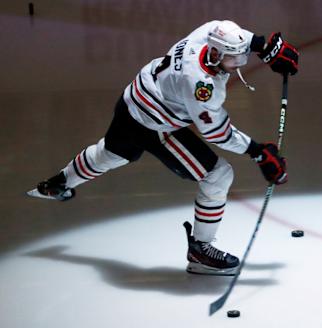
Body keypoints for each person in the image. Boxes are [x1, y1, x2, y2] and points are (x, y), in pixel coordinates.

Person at [28, 20, 299, 276]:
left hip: (132, 100)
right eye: (234, 58)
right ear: (216, 54)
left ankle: (60, 181)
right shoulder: (201, 86)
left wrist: (263, 46)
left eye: (242, 56)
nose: (239, 63)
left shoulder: (207, 35)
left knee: (110, 154)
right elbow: (216, 132)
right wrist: (258, 153)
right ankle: (200, 251)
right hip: (154, 125)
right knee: (218, 175)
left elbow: (229, 29)